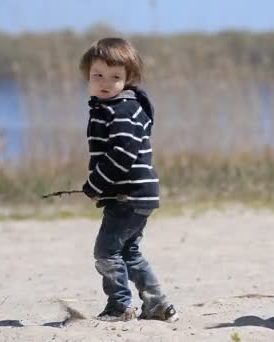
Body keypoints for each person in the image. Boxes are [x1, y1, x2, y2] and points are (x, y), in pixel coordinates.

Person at [79, 37, 178, 322]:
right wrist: (102, 187)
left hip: (129, 195)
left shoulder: (122, 110)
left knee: (106, 250)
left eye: (115, 77)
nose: (105, 82)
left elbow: (121, 154)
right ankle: (157, 304)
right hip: (136, 194)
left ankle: (119, 305)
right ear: (87, 76)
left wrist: (95, 185)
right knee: (129, 252)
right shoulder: (113, 107)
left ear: (128, 79)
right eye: (98, 75)